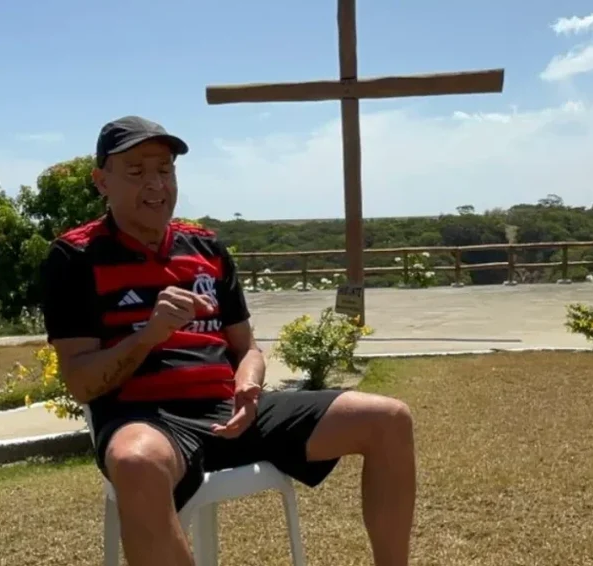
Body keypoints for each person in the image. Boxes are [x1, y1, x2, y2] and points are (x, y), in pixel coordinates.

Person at [40, 115, 416, 566]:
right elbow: (81, 382)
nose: (155, 184)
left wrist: (249, 385)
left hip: (231, 410)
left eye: (165, 169)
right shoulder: (75, 257)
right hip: (147, 420)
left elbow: (247, 349)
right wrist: (148, 336)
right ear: (102, 181)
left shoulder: (206, 248)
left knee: (389, 419)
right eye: (136, 171)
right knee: (137, 463)